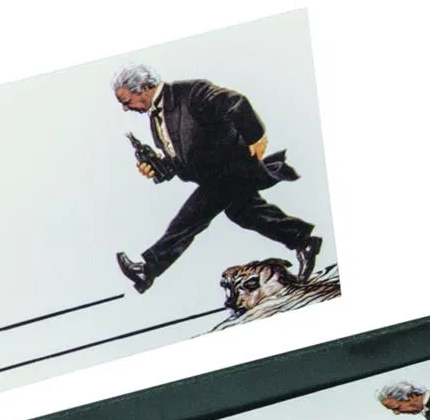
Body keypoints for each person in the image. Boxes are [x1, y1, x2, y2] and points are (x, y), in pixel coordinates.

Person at [111, 64, 323, 292]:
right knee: (244, 212)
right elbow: (183, 159)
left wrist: (255, 136)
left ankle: (148, 270)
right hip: (215, 178)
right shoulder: (156, 118)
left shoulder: (191, 93)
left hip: (231, 168)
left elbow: (236, 102)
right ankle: (304, 241)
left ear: (144, 87)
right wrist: (159, 168)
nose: (125, 108)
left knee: (190, 218)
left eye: (127, 102)